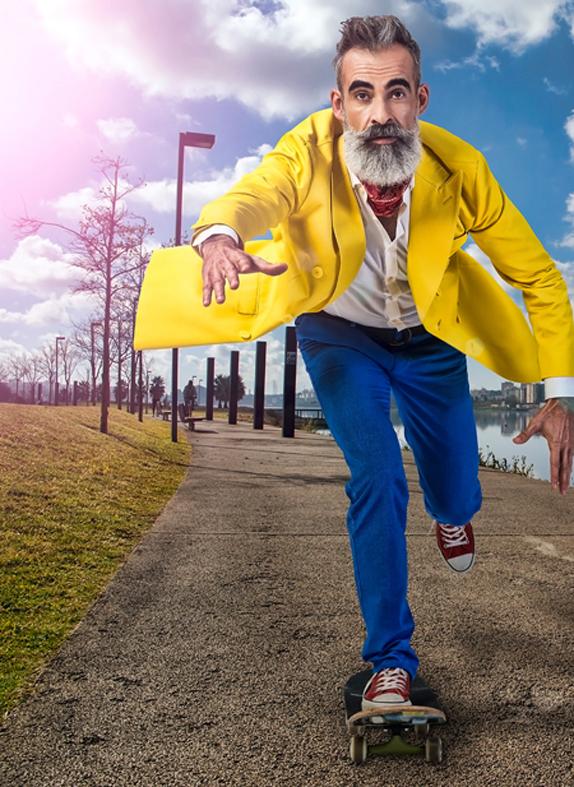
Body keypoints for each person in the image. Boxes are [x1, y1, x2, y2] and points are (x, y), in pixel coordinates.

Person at [134, 16, 574, 712]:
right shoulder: (307, 152)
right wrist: (219, 236)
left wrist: (562, 393)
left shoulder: (460, 172)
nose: (381, 114)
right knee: (376, 474)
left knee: (457, 490)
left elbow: (540, 277)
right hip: (340, 336)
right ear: (339, 105)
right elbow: (257, 194)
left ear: (420, 100)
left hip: (430, 341)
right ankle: (390, 661)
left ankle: (452, 513)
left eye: (396, 92)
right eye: (362, 95)